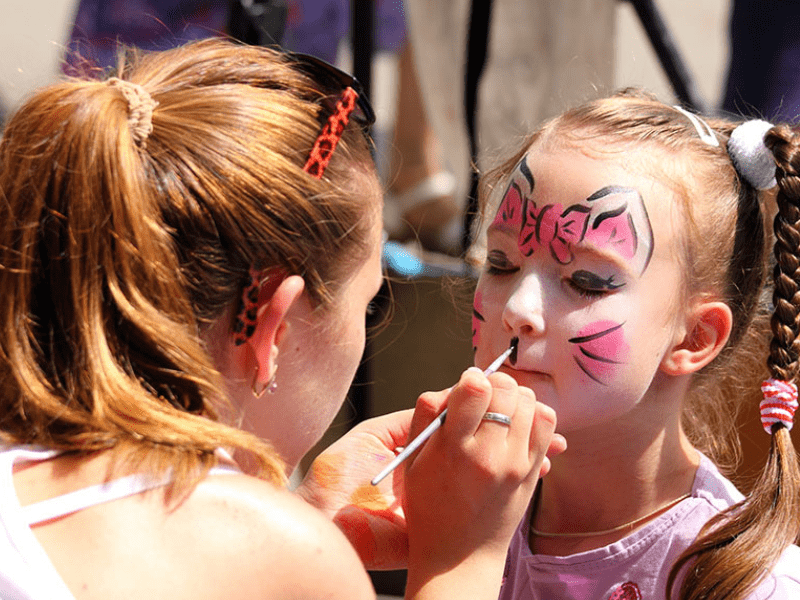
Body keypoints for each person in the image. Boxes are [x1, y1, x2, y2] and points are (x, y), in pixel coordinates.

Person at [0, 38, 562, 599]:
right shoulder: (284, 559)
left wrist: (308, 511)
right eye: (367, 306)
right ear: (276, 324)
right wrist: (462, 557)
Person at [467, 89, 800, 599]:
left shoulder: (742, 584)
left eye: (585, 280)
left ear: (694, 337)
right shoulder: (453, 504)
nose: (517, 309)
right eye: (501, 262)